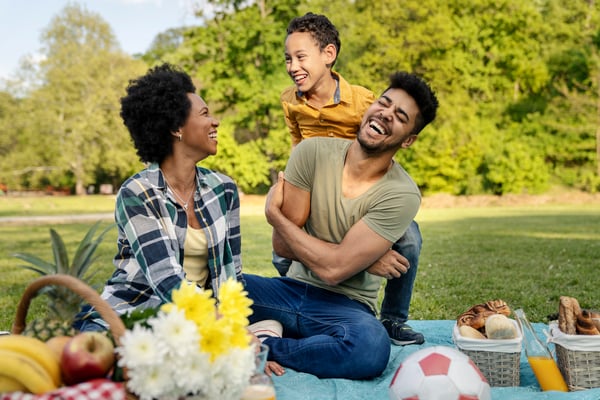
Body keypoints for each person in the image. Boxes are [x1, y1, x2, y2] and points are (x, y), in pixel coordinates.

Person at [244, 71, 439, 379]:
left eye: (400, 116)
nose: (386, 114)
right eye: (384, 103)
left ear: (409, 140)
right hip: (289, 290)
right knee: (208, 291)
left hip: (346, 308)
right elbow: (282, 246)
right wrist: (358, 259)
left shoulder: (401, 193)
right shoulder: (311, 153)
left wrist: (277, 218)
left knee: (370, 347)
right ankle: (299, 342)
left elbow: (333, 271)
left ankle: (261, 344)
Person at [276, 11, 424, 345]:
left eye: (301, 57)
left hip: (357, 183)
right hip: (315, 183)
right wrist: (292, 185)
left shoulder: (363, 100)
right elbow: (297, 141)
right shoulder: (290, 100)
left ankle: (393, 318)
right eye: (288, 58)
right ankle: (304, 304)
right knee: (281, 248)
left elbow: (380, 144)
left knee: (411, 241)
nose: (292, 66)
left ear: (329, 55)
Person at [75, 63, 243, 330]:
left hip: (196, 319)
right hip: (133, 312)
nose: (215, 121)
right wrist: (220, 325)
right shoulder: (137, 193)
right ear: (177, 127)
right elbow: (166, 278)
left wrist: (235, 326)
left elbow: (233, 274)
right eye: (204, 114)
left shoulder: (224, 189)